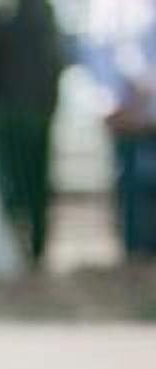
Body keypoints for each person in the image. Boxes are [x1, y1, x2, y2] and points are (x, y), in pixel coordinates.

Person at [0, 0, 67, 266]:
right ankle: (22, 249)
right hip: (20, 116)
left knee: (22, 184)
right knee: (21, 184)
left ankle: (26, 250)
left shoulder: (32, 13)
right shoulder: (23, 14)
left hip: (26, 116)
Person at [83, 0, 156, 255]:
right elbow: (99, 55)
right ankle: (136, 254)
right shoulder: (113, 9)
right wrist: (112, 103)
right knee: (133, 196)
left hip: (144, 113)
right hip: (130, 119)